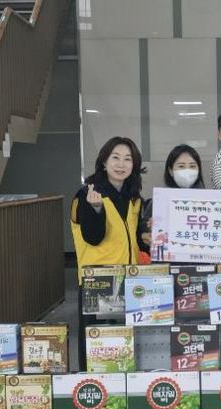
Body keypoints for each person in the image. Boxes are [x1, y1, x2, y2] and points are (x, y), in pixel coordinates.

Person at [70, 136, 147, 371]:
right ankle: (92, 384)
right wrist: (96, 209)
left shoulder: (134, 198)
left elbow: (135, 239)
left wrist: (148, 235)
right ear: (104, 162)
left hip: (129, 278)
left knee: (123, 339)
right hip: (98, 280)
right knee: (96, 341)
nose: (121, 164)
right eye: (115, 157)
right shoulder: (87, 194)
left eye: (127, 159)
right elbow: (92, 237)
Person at [140, 144, 206, 259]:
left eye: (192, 166)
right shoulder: (159, 201)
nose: (187, 171)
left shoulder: (209, 200)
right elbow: (143, 230)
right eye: (181, 166)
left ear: (198, 170)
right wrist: (149, 229)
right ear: (170, 171)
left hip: (203, 261)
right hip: (168, 262)